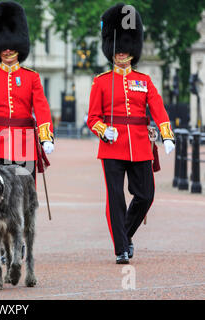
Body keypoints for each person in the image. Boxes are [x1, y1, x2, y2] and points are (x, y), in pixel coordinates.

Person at [87, 3, 175, 264]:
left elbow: (157, 107)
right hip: (112, 146)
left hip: (139, 144)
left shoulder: (144, 80)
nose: (121, 54)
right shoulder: (101, 82)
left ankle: (124, 235)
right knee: (115, 198)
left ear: (133, 51)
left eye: (126, 49)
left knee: (146, 195)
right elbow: (92, 118)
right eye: (117, 50)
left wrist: (166, 134)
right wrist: (104, 131)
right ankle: (121, 248)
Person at [0, 1, 55, 180]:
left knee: (25, 194)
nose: (7, 49)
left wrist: (46, 137)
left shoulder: (32, 77)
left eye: (11, 45)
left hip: (26, 142)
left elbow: (41, 108)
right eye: (3, 46)